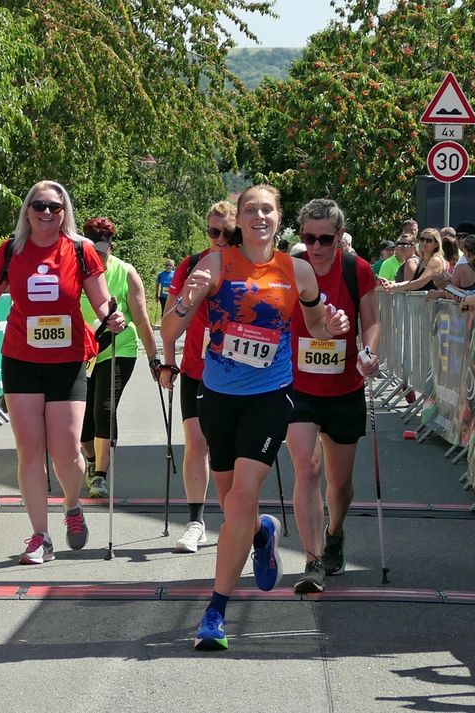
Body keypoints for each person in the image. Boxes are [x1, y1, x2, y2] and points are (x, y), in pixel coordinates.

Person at [161, 184, 349, 651]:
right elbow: (171, 327)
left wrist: (332, 326)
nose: (259, 217)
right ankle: (263, 533)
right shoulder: (215, 264)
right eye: (251, 209)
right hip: (217, 397)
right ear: (239, 219)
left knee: (242, 499)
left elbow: (316, 325)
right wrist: (187, 299)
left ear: (279, 218)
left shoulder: (297, 270)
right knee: (233, 508)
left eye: (267, 209)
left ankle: (215, 611)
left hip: (270, 396)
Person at [0, 181, 125, 565]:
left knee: (67, 452)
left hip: (67, 362)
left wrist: (113, 316)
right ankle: (40, 536)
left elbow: (101, 301)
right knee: (29, 449)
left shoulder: (81, 250)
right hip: (21, 360)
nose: (46, 212)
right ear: (27, 210)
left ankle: (72, 505)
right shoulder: (11, 250)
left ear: (64, 212)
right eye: (39, 205)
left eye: (54, 207)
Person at [285, 199, 380, 594]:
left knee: (340, 486)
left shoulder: (357, 269)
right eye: (309, 238)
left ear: (340, 235)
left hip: (344, 387)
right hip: (298, 387)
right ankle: (312, 560)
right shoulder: (290, 269)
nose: (317, 246)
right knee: (307, 469)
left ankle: (334, 532)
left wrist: (369, 353)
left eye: (325, 239)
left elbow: (371, 322)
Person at [157, 200, 236, 553]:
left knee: (230, 449)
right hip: (195, 368)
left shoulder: (247, 265)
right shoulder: (191, 265)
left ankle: (236, 519)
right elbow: (169, 320)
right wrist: (168, 362)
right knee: (196, 443)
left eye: (227, 231)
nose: (220, 238)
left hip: (237, 372)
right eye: (213, 231)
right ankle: (195, 522)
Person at [79, 217, 158, 498]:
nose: (99, 256)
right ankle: (91, 461)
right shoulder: (74, 269)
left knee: (104, 409)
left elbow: (142, 318)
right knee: (82, 420)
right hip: (82, 352)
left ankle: (100, 476)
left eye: (103, 251)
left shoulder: (125, 272)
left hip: (117, 348)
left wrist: (154, 359)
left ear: (111, 246)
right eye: (93, 251)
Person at [381, 228, 448, 293]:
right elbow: (411, 281)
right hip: (421, 299)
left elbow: (419, 283)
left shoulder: (436, 260)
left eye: (429, 240)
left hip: (430, 300)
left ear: (436, 244)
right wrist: (390, 283)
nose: (424, 242)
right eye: (422, 239)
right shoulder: (422, 259)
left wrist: (395, 287)